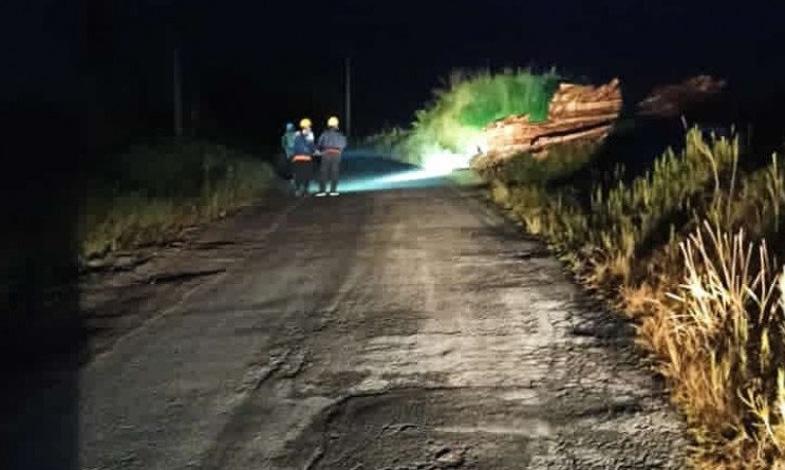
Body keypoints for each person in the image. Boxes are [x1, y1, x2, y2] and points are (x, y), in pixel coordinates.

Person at [315, 116, 348, 197]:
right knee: (335, 171)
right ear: (336, 125)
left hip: (326, 153)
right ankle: (333, 190)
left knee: (323, 172)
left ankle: (322, 191)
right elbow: (344, 144)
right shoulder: (340, 135)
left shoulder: (324, 134)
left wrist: (318, 151)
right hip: (336, 154)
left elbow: (319, 144)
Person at [291, 118, 317, 196]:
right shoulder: (310, 136)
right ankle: (305, 190)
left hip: (297, 159)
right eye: (309, 127)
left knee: (298, 175)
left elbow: (292, 146)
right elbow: (312, 147)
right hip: (306, 159)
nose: (310, 128)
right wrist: (316, 152)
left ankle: (298, 190)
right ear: (308, 127)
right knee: (307, 175)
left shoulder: (296, 135)